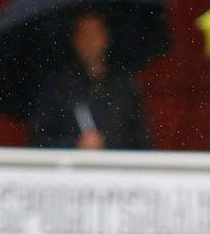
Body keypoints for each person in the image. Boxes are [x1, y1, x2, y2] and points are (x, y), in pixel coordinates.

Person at [28, 11, 151, 151]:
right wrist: (74, 145)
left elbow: (141, 140)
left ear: (106, 38)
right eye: (84, 35)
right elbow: (40, 140)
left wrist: (110, 146)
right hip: (70, 170)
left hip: (116, 170)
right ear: (75, 40)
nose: (90, 41)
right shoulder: (58, 86)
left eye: (95, 34)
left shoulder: (124, 85)